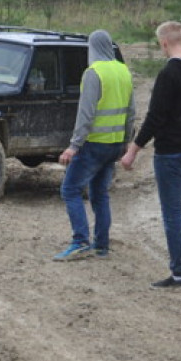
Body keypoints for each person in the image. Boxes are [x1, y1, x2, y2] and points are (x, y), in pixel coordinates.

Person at [120, 20, 181, 290]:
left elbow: (156, 117)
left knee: (171, 214)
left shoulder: (169, 74)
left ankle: (180, 274)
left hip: (171, 149)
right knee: (176, 211)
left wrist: (133, 150)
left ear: (164, 43)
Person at [53, 29, 135, 261]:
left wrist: (73, 145)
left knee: (70, 190)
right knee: (100, 194)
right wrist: (125, 142)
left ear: (92, 48)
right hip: (114, 145)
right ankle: (102, 246)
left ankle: (80, 241)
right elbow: (132, 112)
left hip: (93, 145)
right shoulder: (123, 71)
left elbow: (86, 113)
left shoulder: (94, 73)